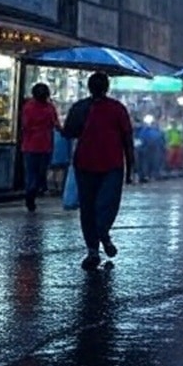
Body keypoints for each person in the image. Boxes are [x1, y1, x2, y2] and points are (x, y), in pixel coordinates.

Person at [63, 72, 134, 271]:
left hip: (85, 163)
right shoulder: (117, 108)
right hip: (111, 165)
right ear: (107, 87)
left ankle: (94, 248)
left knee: (88, 208)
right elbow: (127, 140)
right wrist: (131, 167)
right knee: (107, 205)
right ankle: (102, 236)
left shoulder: (79, 108)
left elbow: (68, 132)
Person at [21, 82, 61, 212]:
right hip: (45, 145)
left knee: (31, 172)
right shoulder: (50, 108)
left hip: (29, 145)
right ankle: (34, 190)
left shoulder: (28, 107)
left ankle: (30, 192)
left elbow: (25, 125)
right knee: (41, 172)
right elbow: (56, 124)